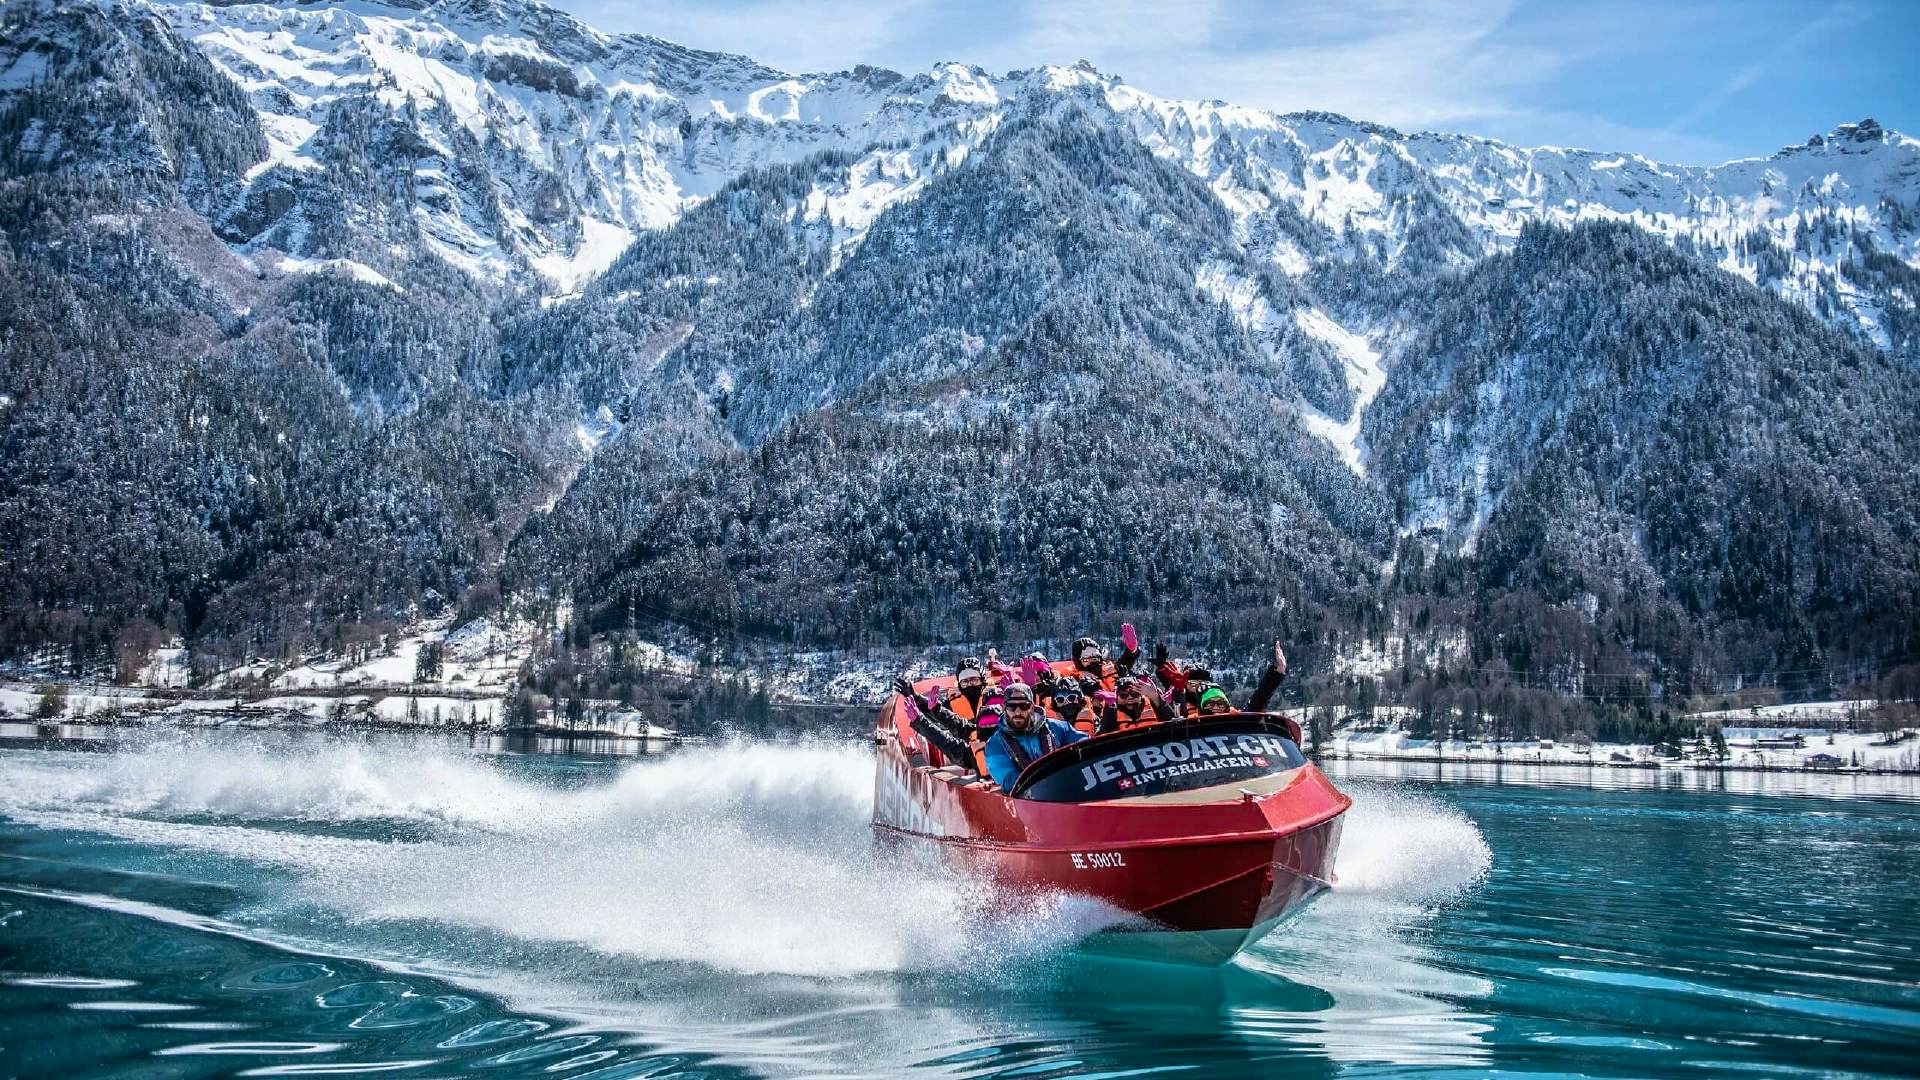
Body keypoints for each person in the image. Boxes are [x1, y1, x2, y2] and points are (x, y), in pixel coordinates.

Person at [982, 681, 1085, 789]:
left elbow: (1085, 746)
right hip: (1029, 799)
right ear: (1004, 708)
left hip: (1068, 789)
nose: (1017, 712)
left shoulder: (1060, 728)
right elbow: (1008, 780)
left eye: (1023, 706)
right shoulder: (995, 745)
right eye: (1012, 706)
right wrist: (1046, 779)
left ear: (1031, 707)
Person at [1190, 641, 1290, 717]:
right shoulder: (1189, 725)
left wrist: (1277, 674)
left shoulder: (1236, 720)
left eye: (1220, 704)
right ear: (1202, 707)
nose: (1216, 708)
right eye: (1210, 704)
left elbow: (1257, 701)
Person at [1095, 674, 1175, 733]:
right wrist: (1108, 710)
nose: (1129, 698)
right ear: (1117, 697)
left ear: (1141, 695)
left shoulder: (1153, 705)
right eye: (1124, 695)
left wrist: (1155, 697)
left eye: (1134, 694)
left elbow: (1173, 724)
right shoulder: (1112, 712)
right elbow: (1103, 735)